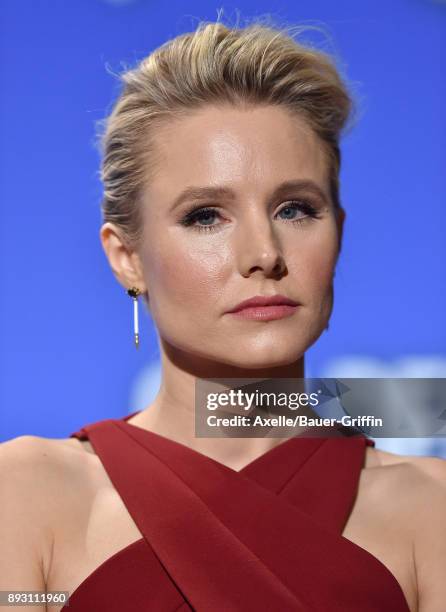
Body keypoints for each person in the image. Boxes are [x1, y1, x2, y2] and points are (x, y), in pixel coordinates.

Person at [1, 18, 445, 612]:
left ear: (338, 232)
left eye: (296, 209)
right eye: (205, 216)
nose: (264, 254)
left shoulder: (431, 510)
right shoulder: (25, 493)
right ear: (127, 257)